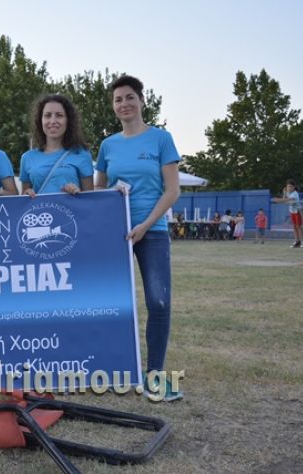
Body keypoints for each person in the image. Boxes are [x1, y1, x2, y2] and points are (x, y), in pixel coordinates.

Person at [94, 75, 182, 401]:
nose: (124, 104)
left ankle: (155, 376)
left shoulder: (161, 139)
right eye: (118, 99)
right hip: (116, 234)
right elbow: (99, 190)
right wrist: (108, 196)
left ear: (142, 100)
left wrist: (145, 224)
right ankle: (116, 371)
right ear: (113, 106)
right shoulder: (108, 146)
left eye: (130, 97)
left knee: (158, 302)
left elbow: (172, 191)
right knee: (113, 303)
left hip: (152, 231)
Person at [20, 94, 94, 197]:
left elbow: (90, 199)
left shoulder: (81, 154)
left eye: (59, 115)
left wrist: (77, 192)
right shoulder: (27, 158)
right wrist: (26, 193)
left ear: (68, 120)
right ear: (40, 120)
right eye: (47, 115)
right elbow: (23, 200)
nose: (53, 121)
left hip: (71, 208)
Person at [272, 179, 303, 248]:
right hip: (292, 211)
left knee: (299, 226)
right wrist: (284, 193)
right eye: (288, 186)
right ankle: (297, 241)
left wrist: (278, 200)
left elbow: (288, 200)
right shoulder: (288, 193)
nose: (289, 188)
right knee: (294, 226)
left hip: (297, 211)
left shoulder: (295, 193)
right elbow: (284, 200)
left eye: (290, 186)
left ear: (294, 187)